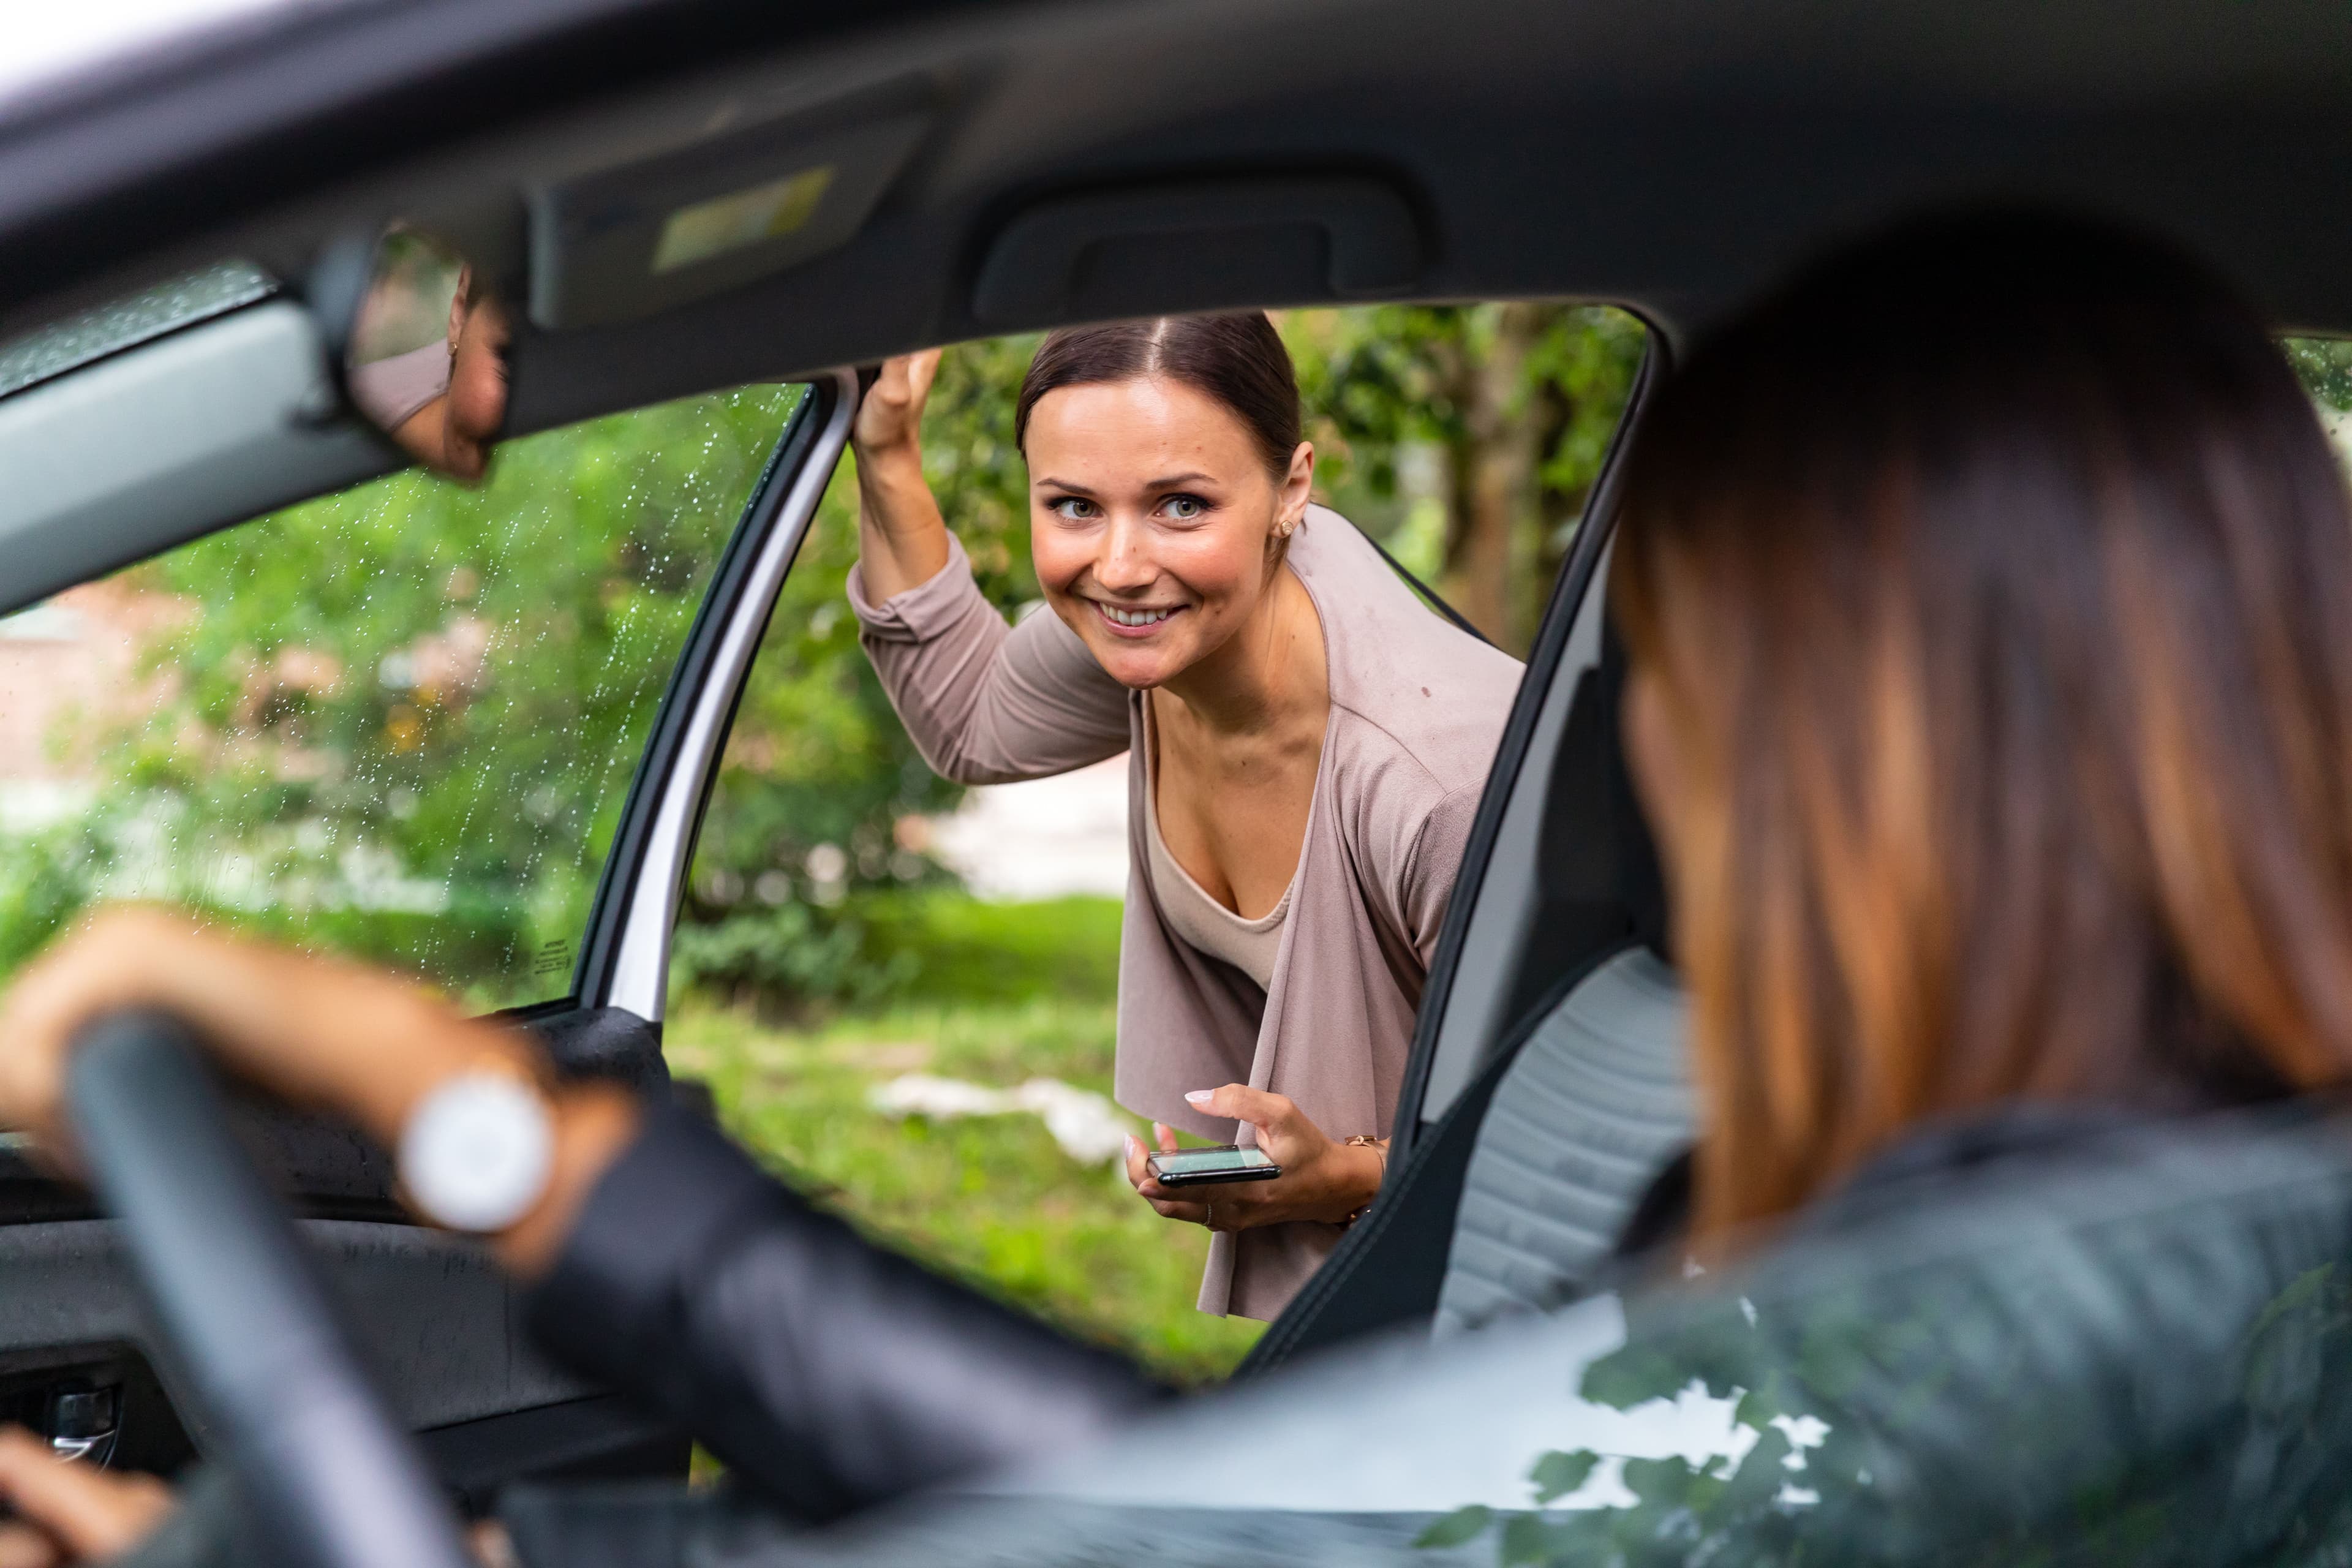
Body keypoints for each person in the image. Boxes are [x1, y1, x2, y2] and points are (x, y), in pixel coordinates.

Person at [2, 209, 2349, 1559]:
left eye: (1713, 679)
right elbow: (1284, 1526)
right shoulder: (1956, 1233)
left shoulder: (2109, 1317)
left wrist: (479, 1119)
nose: (1663, 758)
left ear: (1924, 740)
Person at [849, 315, 1522, 1318]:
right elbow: (973, 721)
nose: (1119, 565)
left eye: (1181, 506)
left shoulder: (1438, 786)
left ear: (1292, 489)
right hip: (1384, 1311)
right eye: (1073, 506)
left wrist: (1342, 1175)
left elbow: (1592, 1120)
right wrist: (887, 450)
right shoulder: (1163, 629)